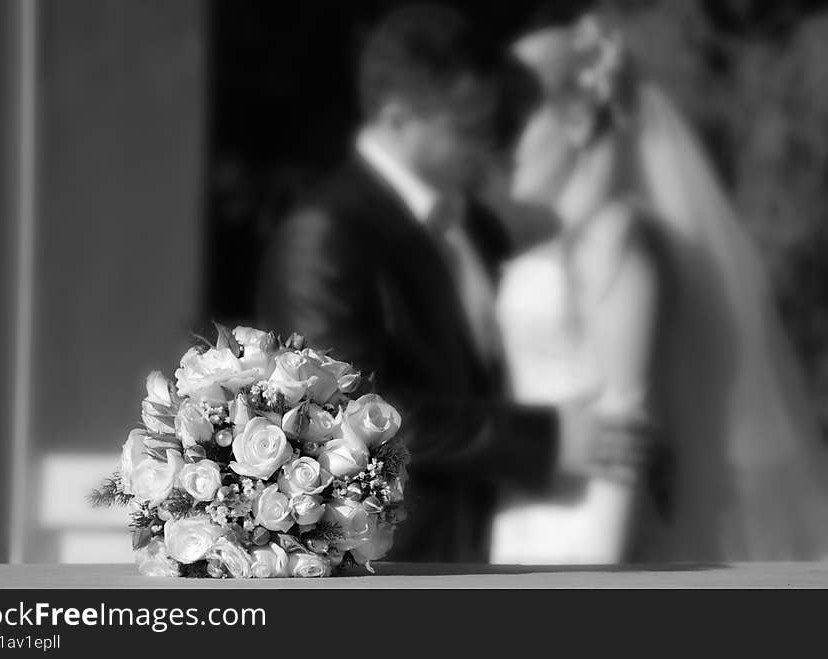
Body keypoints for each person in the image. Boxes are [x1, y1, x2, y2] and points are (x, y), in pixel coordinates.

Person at [256, 6, 645, 563]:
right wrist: (546, 441)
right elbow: (347, 416)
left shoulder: (476, 227)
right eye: (467, 126)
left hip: (507, 543)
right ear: (397, 119)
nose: (487, 144)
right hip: (395, 561)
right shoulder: (327, 234)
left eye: (492, 125)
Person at [491, 15, 828, 564]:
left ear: (576, 120)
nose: (504, 145)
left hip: (583, 541)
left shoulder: (617, 241)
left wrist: (589, 577)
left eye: (517, 120)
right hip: (526, 522)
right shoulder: (552, 250)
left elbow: (627, 426)